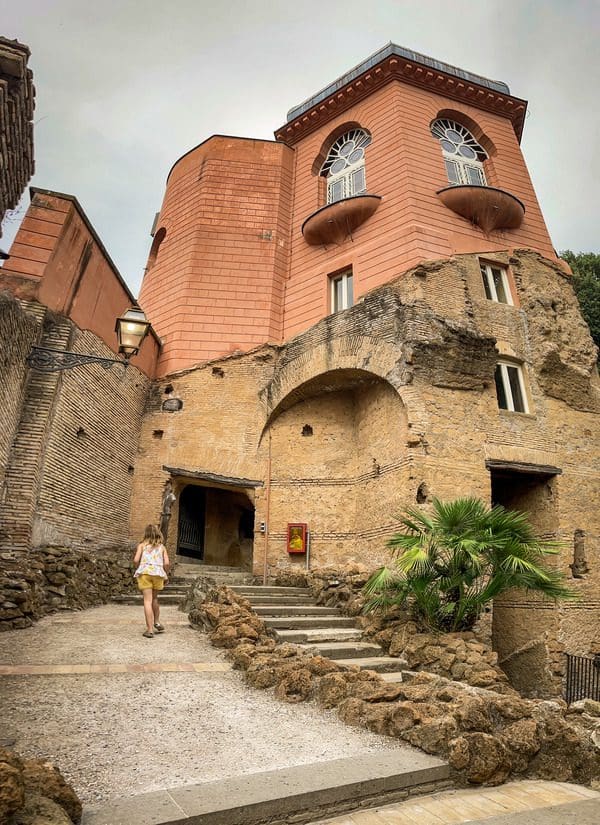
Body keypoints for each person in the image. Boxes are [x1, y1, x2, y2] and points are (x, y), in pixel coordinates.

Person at [133, 524, 170, 638]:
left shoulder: (142, 545)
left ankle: (149, 630)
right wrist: (165, 574)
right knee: (154, 599)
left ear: (146, 534)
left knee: (147, 601)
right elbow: (167, 563)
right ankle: (157, 622)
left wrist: (138, 567)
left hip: (145, 573)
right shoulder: (162, 547)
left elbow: (135, 560)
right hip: (158, 574)